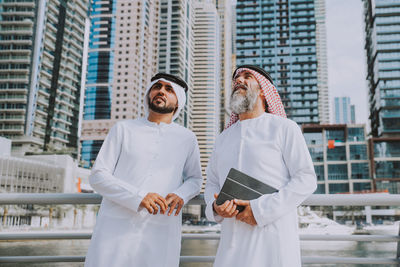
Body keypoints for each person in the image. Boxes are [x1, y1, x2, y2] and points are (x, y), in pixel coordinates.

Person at [85, 73, 203, 267]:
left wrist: (181, 194)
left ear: (178, 103)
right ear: (148, 94)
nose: (161, 91)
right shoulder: (123, 128)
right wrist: (139, 196)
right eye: (157, 87)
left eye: (169, 89)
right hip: (115, 229)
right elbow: (98, 176)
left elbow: (195, 179)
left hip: (161, 228)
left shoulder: (187, 138)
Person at [204, 65, 317, 267]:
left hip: (272, 238)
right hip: (231, 242)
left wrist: (260, 210)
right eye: (237, 78)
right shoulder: (223, 138)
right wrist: (215, 207)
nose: (239, 80)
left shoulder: (284, 128)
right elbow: (212, 183)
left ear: (264, 91)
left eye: (247, 76)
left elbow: (306, 178)